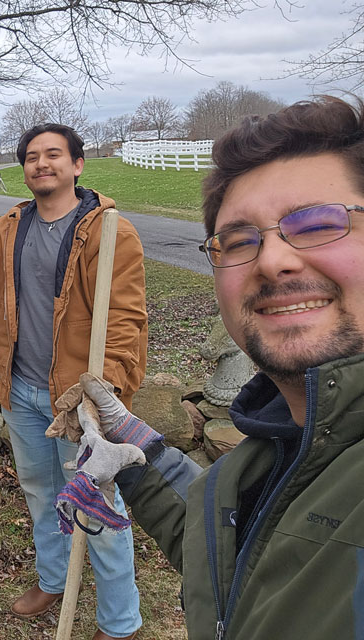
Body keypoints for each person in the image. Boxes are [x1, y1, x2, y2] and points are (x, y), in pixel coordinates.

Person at [58, 95, 364, 640]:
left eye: (319, 223)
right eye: (240, 240)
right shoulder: (270, 452)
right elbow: (231, 554)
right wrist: (137, 454)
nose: (272, 259)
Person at [0, 123, 147, 640]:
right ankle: (53, 580)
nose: (41, 163)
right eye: (32, 157)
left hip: (79, 399)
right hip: (22, 390)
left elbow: (124, 320)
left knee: (97, 505)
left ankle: (119, 622)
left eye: (53, 155)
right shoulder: (12, 225)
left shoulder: (108, 229)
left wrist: (105, 394)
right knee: (40, 491)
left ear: (77, 165)